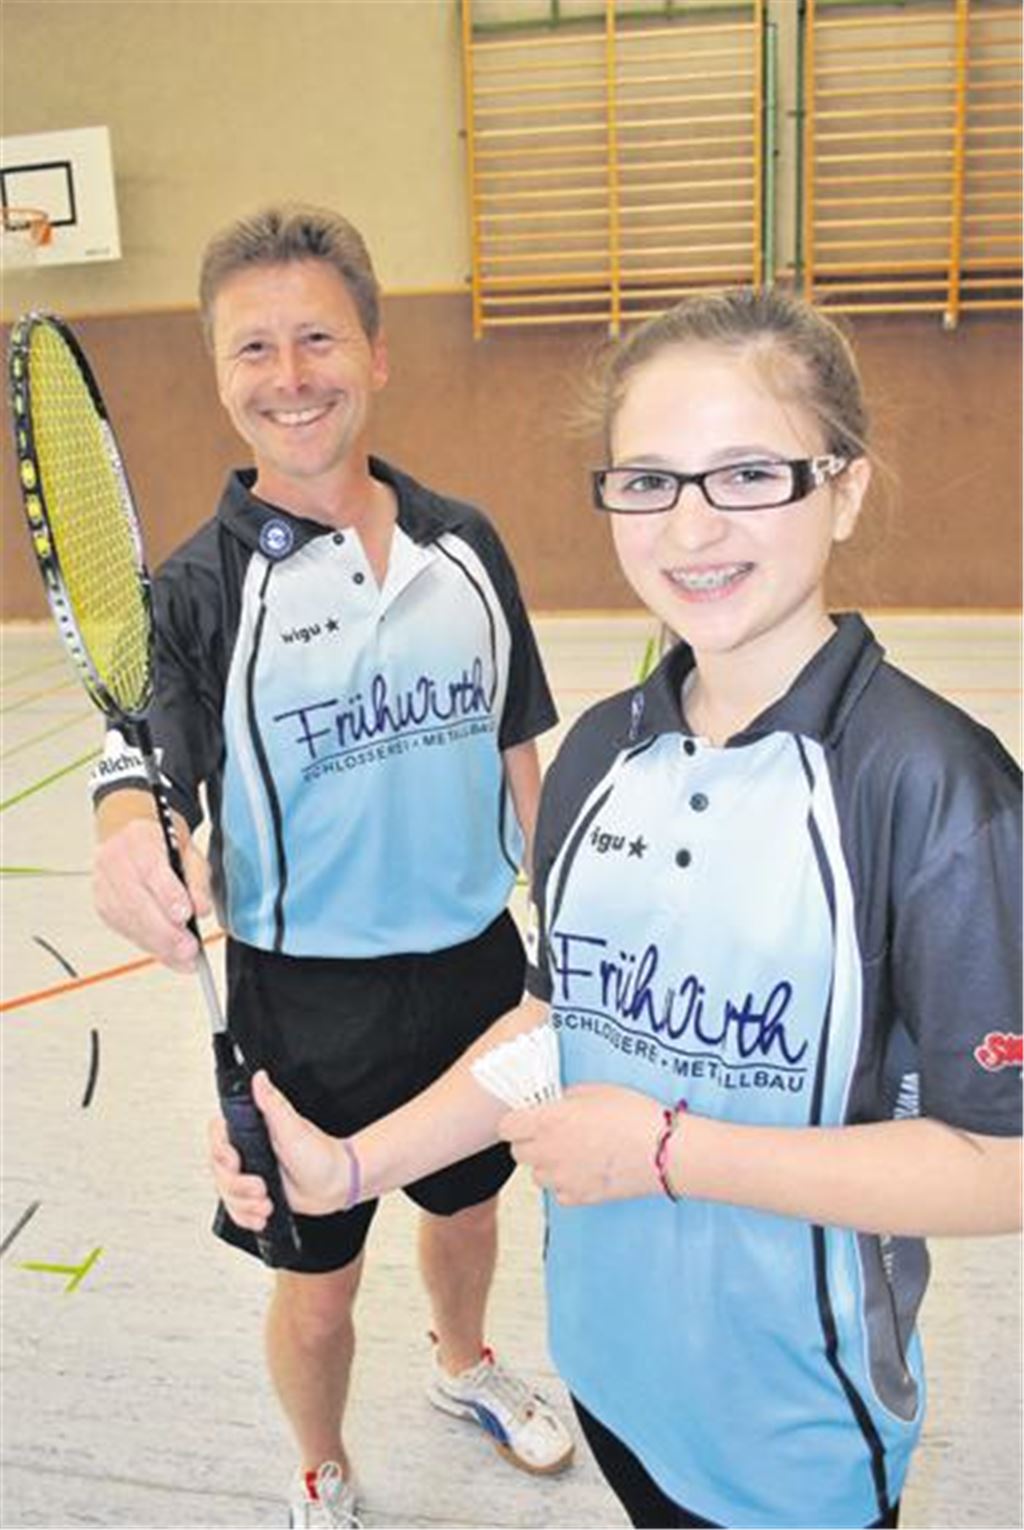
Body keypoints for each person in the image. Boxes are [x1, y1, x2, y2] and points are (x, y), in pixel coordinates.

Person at [212, 286, 1023, 1530]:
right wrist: (353, 1165)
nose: (691, 528)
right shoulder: (598, 754)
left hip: (793, 1436)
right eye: (647, 481)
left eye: (748, 474)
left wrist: (663, 1154)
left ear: (843, 488)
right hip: (613, 1376)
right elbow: (557, 1025)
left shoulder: (932, 790)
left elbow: (1001, 1166)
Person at [91, 204, 574, 1530]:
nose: (290, 376)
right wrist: (126, 829)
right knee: (316, 1282)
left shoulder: (466, 541)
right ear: (216, 373)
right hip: (307, 999)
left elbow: (517, 748)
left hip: (480, 965)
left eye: (317, 336)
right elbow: (143, 764)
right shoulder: (194, 593)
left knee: (469, 1209)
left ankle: (463, 1362)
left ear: (375, 350)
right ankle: (318, 1460)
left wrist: (566, 937)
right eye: (254, 347)